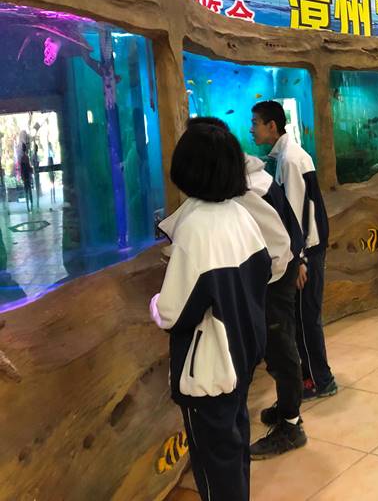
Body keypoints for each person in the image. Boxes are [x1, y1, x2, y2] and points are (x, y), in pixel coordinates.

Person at [150, 123, 272, 501]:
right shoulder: (241, 215)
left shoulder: (195, 228)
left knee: (214, 460)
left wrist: (155, 303)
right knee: (234, 444)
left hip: (210, 371)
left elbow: (172, 313)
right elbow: (262, 273)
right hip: (242, 353)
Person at [186, 117, 307, 459]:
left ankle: (291, 425)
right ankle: (287, 408)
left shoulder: (248, 188)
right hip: (273, 273)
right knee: (274, 346)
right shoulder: (248, 176)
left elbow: (279, 239)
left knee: (280, 348)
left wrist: (275, 274)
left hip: (274, 278)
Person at [250, 101, 337, 401]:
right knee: (303, 317)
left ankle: (320, 380)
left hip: (307, 253)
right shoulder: (288, 156)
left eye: (255, 123)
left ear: (271, 126)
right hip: (308, 250)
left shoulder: (290, 160)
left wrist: (299, 259)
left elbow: (297, 214)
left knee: (305, 318)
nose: (251, 129)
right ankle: (312, 376)